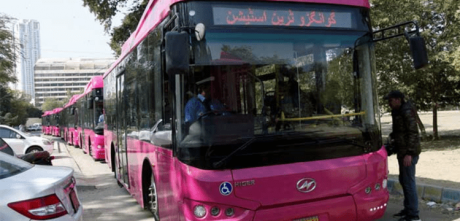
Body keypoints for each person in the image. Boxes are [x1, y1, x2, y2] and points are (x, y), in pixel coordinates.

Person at [385, 90, 421, 221]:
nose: (389, 103)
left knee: (409, 182)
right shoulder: (398, 111)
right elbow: (399, 132)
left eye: (390, 100)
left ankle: (413, 215)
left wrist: (409, 154)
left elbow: (413, 133)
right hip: (402, 152)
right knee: (404, 181)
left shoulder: (406, 111)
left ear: (398, 99)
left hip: (408, 154)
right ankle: (408, 209)